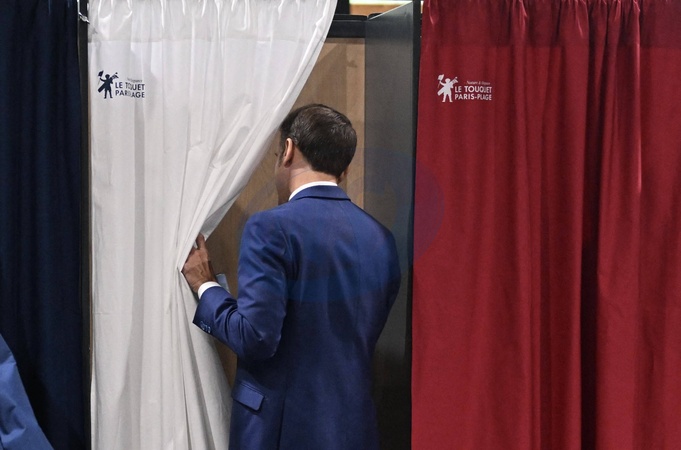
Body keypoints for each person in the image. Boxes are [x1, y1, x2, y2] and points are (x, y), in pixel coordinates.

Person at [182, 104, 401, 449]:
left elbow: (256, 338)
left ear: (287, 150)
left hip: (281, 432)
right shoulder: (381, 239)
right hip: (355, 429)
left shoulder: (271, 228)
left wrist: (204, 285)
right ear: (344, 169)